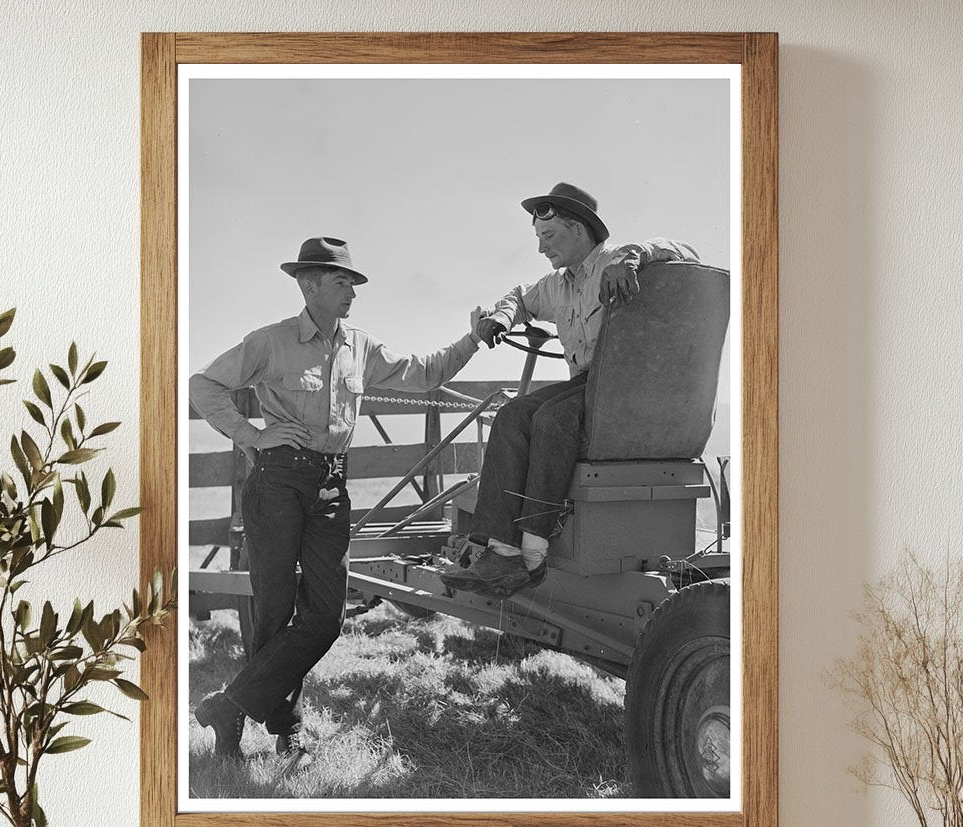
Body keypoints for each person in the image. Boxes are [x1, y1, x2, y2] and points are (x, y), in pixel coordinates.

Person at [190, 237, 482, 761]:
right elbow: (203, 385)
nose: (351, 292)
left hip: (330, 486)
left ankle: (229, 706)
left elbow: (424, 373)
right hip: (277, 483)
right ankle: (286, 728)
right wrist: (254, 437)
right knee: (275, 610)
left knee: (325, 615)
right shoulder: (270, 341)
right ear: (309, 285)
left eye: (352, 283)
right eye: (341, 282)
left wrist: (474, 338)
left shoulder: (361, 347)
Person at [439, 182, 699, 598]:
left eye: (549, 237)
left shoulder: (617, 261)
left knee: (552, 418)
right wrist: (504, 317)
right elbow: (520, 296)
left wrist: (635, 256)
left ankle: (534, 552)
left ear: (578, 230)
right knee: (510, 415)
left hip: (626, 390)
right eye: (539, 239)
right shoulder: (557, 285)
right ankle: (502, 552)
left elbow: (687, 252)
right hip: (587, 385)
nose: (542, 249)